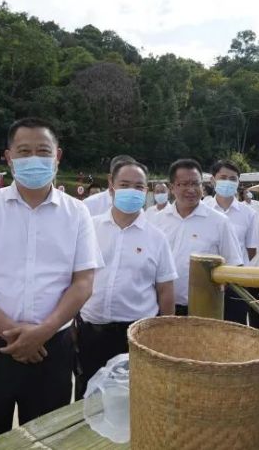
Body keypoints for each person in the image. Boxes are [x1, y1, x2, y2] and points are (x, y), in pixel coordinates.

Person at [0, 118, 102, 448]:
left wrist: (43, 331)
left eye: (42, 151)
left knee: (49, 442)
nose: (34, 158)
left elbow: (83, 282)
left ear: (57, 156)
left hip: (52, 350)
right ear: (8, 157)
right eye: (24, 151)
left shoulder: (77, 214)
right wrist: (13, 333)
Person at [75, 160, 176, 399]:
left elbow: (166, 291)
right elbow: (73, 277)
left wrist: (164, 334)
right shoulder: (90, 228)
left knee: (133, 400)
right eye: (125, 184)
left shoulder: (156, 238)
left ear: (146, 191)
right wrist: (70, 323)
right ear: (111, 185)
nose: (132, 191)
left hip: (135, 338)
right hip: (91, 332)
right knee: (86, 399)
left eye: (139, 187)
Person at [147, 159, 244, 316]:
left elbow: (233, 266)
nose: (191, 189)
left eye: (196, 184)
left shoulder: (219, 222)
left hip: (204, 309)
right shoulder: (156, 221)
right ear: (172, 187)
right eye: (184, 184)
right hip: (161, 307)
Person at [202, 160, 259, 326]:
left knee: (235, 327)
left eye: (233, 178)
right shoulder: (202, 210)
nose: (228, 182)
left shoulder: (248, 214)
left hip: (236, 283)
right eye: (223, 177)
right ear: (213, 180)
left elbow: (251, 250)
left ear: (238, 182)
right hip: (206, 281)